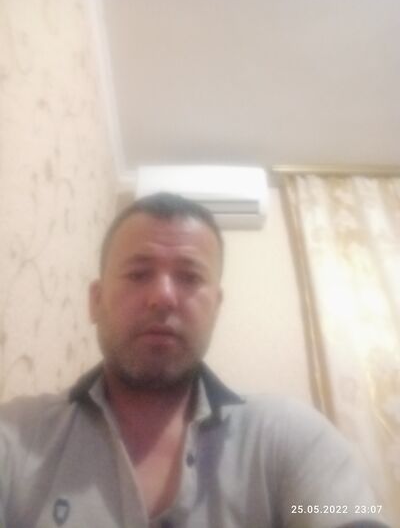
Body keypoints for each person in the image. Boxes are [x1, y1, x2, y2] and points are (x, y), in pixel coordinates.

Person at [0, 192, 390, 528]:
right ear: (96, 301)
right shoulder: (15, 437)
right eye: (138, 274)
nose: (163, 297)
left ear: (216, 308)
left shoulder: (292, 436)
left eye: (189, 277)